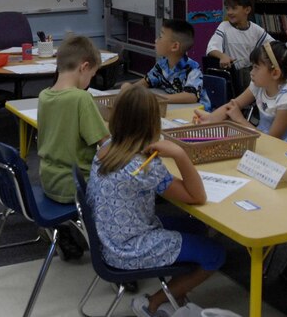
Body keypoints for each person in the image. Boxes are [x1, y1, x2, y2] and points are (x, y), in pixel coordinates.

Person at [87, 86, 224, 317]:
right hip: (127, 248)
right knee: (216, 254)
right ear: (153, 123)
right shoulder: (144, 167)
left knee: (198, 227)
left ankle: (175, 293)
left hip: (107, 238)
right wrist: (179, 154)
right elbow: (197, 196)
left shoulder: (106, 147)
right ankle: (153, 303)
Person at [37, 35, 109, 259]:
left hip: (48, 179)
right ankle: (116, 252)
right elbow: (105, 145)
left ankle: (65, 228)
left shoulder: (44, 96)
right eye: (92, 76)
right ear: (84, 67)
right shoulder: (81, 99)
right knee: (125, 182)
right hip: (76, 186)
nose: (90, 82)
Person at [196, 42, 287, 151]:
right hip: (263, 138)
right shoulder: (259, 85)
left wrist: (240, 119)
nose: (251, 72)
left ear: (275, 73)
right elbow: (233, 105)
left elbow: (272, 140)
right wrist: (209, 119)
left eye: (256, 68)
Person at [122, 19, 211, 110]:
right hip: (174, 109)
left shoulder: (193, 68)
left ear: (175, 46)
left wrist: (159, 98)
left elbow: (191, 96)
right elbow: (147, 81)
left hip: (197, 113)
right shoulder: (162, 64)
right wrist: (131, 88)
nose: (156, 40)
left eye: (160, 37)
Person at [205, 0, 272, 92]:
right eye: (228, 8)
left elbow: (271, 45)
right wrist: (222, 56)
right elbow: (211, 48)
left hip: (251, 75)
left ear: (247, 10)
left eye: (234, 8)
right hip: (233, 76)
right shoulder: (224, 26)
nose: (229, 12)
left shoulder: (256, 29)